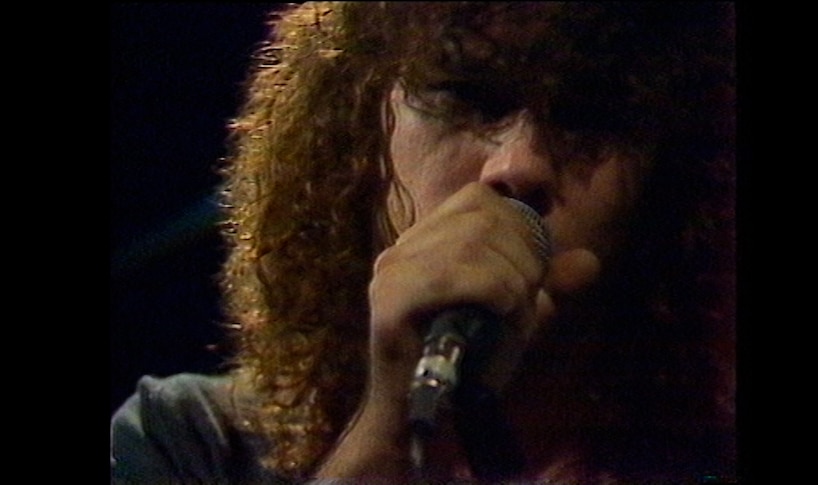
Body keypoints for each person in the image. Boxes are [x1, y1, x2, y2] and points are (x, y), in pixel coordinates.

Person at [110, 2, 737, 483]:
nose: (517, 167)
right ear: (359, 129)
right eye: (467, 97)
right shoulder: (187, 440)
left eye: (590, 117)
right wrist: (391, 429)